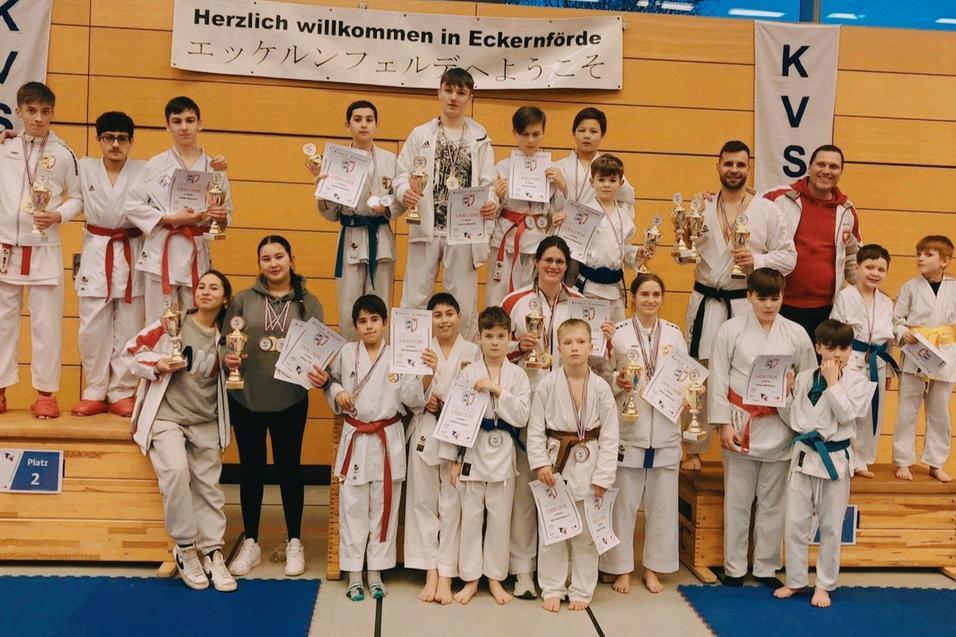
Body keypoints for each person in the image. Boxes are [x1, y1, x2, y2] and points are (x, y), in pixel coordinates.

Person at [682, 140, 797, 471]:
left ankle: (750, 439)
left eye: (740, 165)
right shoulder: (700, 206)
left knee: (745, 370)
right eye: (728, 164)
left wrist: (757, 259)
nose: (734, 170)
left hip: (744, 301)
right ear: (718, 166)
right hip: (706, 299)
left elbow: (789, 257)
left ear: (749, 169)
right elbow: (685, 246)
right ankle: (694, 448)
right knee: (699, 374)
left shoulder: (767, 209)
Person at [122, 270, 235, 592]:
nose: (206, 291)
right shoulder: (173, 323)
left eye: (214, 287)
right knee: (175, 471)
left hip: (205, 420)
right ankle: (186, 548)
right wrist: (156, 364)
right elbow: (131, 351)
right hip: (167, 418)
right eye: (201, 286)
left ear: (225, 298)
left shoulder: (226, 337)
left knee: (209, 486)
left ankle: (213, 551)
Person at [224, 235, 327, 577]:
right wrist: (230, 358)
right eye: (266, 258)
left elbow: (319, 348)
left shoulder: (308, 302)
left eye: (279, 256)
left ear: (291, 260)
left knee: (289, 469)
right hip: (247, 397)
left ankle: (295, 540)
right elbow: (227, 344)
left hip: (290, 398)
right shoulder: (242, 300)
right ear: (259, 265)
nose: (273, 263)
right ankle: (251, 541)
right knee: (251, 470)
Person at [708, 268, 816, 587]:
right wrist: (723, 424)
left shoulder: (796, 333)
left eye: (775, 298)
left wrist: (796, 386)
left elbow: (810, 378)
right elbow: (718, 379)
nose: (769, 305)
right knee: (738, 500)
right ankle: (735, 567)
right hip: (741, 424)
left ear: (783, 297)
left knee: (773, 502)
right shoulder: (730, 330)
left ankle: (766, 567)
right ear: (749, 296)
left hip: (780, 424)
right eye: (762, 298)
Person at [501, 235, 583, 599]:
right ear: (536, 262)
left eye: (560, 262)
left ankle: (558, 571)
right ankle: (521, 570)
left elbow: (592, 351)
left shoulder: (580, 303)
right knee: (524, 492)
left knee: (561, 492)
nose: (553, 266)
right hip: (527, 403)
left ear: (567, 266)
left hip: (567, 409)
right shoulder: (514, 301)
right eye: (548, 260)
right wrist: (519, 346)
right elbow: (493, 345)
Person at [774, 319, 871, 608]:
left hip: (835, 461)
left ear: (850, 349)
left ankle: (824, 585)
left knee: (830, 527)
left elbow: (846, 416)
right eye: (829, 347)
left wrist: (833, 384)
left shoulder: (860, 382)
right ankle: (795, 580)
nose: (836, 354)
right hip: (804, 457)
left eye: (843, 348)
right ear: (818, 347)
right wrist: (787, 394)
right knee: (795, 523)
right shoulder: (804, 377)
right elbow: (793, 421)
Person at [395, 68, 498, 340]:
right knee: (415, 298)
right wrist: (404, 191)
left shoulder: (480, 136)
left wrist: (491, 203)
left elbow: (489, 183)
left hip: (464, 231)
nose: (454, 97)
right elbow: (401, 173)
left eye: (460, 92)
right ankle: (409, 363)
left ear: (469, 97)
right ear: (439, 91)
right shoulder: (420, 134)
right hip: (426, 227)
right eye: (449, 90)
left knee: (462, 302)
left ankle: (462, 367)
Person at [0, 82, 82, 418]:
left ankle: (45, 393)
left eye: (45, 111)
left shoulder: (64, 154)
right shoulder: (3, 149)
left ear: (52, 113)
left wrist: (58, 214)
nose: (38, 118)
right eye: (31, 111)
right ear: (17, 111)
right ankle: (1, 389)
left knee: (47, 325)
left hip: (44, 248)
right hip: (5, 247)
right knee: (1, 323)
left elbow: (78, 197)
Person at [597, 273, 683, 594]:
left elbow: (684, 376)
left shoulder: (674, 335)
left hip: (664, 428)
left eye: (656, 294)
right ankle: (620, 569)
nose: (650, 300)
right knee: (623, 504)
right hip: (629, 428)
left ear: (662, 298)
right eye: (644, 294)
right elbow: (602, 377)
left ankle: (652, 569)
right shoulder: (618, 334)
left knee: (662, 506)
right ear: (633, 298)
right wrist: (617, 381)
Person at [528, 318, 619, 612]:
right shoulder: (547, 384)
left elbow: (610, 433)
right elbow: (534, 428)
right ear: (558, 348)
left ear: (591, 346)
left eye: (580, 342)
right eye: (567, 343)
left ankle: (581, 588)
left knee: (586, 534)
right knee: (554, 530)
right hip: (556, 461)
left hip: (590, 462)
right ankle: (552, 587)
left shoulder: (602, 388)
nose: (574, 348)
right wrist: (540, 463)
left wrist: (604, 475)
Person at [447, 306, 531, 606]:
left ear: (510, 338)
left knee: (499, 519)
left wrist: (497, 390)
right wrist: (456, 460)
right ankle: (470, 578)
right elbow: (456, 419)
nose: (495, 342)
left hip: (503, 452)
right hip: (473, 450)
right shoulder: (468, 373)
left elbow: (522, 416)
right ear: (479, 337)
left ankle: (495, 578)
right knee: (470, 518)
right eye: (488, 336)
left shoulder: (518, 376)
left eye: (500, 336)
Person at [400, 292, 480, 604]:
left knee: (452, 506)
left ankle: (446, 573)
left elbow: (480, 395)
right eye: (437, 314)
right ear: (429, 320)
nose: (444, 319)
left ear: (460, 317)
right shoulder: (418, 351)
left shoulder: (473, 351)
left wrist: (451, 402)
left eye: (449, 313)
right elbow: (406, 396)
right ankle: (429, 570)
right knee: (422, 503)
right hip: (424, 433)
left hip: (459, 438)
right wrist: (426, 385)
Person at [328, 295, 407, 601]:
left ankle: (376, 571)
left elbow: (411, 398)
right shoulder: (347, 352)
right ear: (356, 325)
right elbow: (330, 381)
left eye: (375, 320)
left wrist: (424, 377)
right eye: (363, 321)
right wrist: (337, 393)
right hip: (356, 437)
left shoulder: (400, 355)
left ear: (385, 323)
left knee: (384, 508)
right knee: (352, 508)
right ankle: (353, 573)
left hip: (387, 438)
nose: (369, 326)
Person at [126, 96, 231, 322]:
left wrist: (217, 217)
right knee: (159, 323)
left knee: (198, 322)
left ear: (200, 124)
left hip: (197, 254)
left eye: (189, 120)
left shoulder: (214, 166)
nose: (184, 127)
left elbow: (225, 215)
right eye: (177, 121)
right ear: (167, 125)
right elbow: (132, 205)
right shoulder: (155, 165)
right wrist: (169, 217)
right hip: (160, 254)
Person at [70, 112, 146, 417]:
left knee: (129, 323)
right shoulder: (84, 166)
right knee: (92, 325)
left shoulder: (145, 170)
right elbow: (53, 154)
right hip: (97, 250)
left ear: (130, 141)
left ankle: (122, 391)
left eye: (122, 138)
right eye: (109, 138)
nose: (115, 144)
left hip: (131, 250)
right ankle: (95, 389)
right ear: (99, 139)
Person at [308, 100, 401, 339]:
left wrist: (387, 207)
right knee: (349, 304)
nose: (363, 125)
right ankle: (349, 363)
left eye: (369, 120)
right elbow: (330, 212)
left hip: (380, 238)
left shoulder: (391, 160)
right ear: (347, 124)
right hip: (350, 234)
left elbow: (400, 197)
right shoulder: (336, 160)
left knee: (380, 303)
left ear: (377, 125)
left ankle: (380, 363)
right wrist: (323, 189)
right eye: (357, 120)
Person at [764, 144, 861, 341]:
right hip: (779, 304)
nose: (826, 171)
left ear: (841, 172)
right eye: (821, 164)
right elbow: (742, 209)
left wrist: (865, 286)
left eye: (833, 167)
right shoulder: (778, 198)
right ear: (809, 167)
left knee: (817, 369)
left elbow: (854, 257)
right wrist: (714, 198)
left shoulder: (847, 212)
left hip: (825, 310)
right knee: (777, 367)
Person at [486, 106, 566, 305]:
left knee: (533, 298)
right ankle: (497, 335)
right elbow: (490, 213)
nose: (530, 140)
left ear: (543, 133)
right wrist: (498, 196)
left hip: (537, 241)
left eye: (536, 134)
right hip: (506, 239)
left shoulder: (553, 170)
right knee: (498, 296)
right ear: (515, 133)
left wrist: (563, 186)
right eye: (525, 134)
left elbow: (561, 212)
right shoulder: (501, 168)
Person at [892, 235, 956, 483]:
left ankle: (936, 462)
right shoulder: (909, 286)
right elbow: (897, 319)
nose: (920, 258)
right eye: (919, 253)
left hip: (944, 352)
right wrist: (902, 332)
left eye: (928, 254)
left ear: (945, 261)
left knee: (940, 410)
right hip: (915, 350)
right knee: (907, 409)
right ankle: (903, 460)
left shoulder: (954, 287)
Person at [830, 244, 898, 478]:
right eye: (869, 267)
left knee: (871, 413)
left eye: (881, 269)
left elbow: (889, 340)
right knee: (850, 410)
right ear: (857, 267)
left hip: (878, 361)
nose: (874, 273)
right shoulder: (845, 296)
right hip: (852, 358)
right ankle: (845, 457)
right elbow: (835, 330)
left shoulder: (887, 302)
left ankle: (863, 460)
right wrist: (838, 362)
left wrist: (888, 372)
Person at [574, 155, 640, 323]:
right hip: (588, 286)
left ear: (621, 183)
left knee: (615, 336)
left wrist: (639, 254)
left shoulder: (624, 215)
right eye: (601, 179)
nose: (606, 185)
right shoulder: (583, 212)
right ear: (592, 182)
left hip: (615, 288)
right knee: (587, 335)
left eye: (612, 180)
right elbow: (572, 248)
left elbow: (624, 251)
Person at [552, 107, 634, 206]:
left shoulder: (609, 168)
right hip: (564, 220)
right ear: (574, 133)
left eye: (593, 131)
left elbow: (627, 201)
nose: (587, 136)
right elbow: (548, 207)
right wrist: (563, 188)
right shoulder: (558, 168)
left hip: (599, 221)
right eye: (582, 130)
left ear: (602, 134)